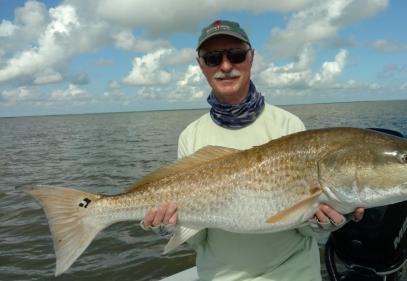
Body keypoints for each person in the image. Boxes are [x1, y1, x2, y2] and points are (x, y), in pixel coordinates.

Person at [140, 19, 364, 281]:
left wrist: (322, 223)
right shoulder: (191, 135)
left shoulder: (289, 124)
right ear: (201, 65)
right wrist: (167, 226)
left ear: (251, 57)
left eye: (236, 55)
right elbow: (198, 238)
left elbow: (307, 228)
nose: (226, 66)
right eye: (213, 58)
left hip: (293, 273)